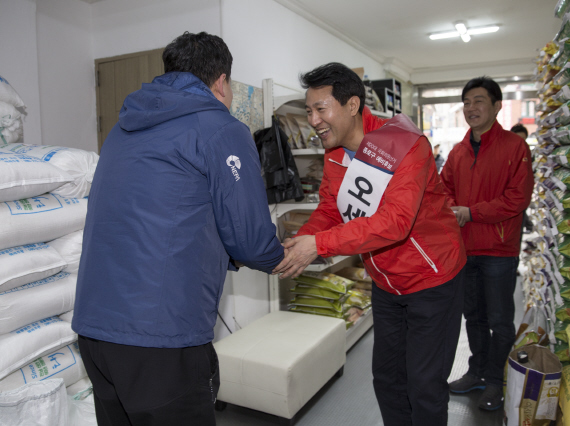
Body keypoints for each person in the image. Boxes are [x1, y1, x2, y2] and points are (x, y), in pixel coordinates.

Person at [72, 32, 284, 426]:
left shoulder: (121, 130)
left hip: (95, 331)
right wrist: (282, 257)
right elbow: (253, 241)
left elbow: (160, 217)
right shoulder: (222, 129)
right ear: (222, 82)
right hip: (161, 339)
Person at [273, 62, 467, 426]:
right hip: (386, 283)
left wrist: (320, 245)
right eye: (309, 111)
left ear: (352, 105)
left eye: (321, 109)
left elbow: (395, 223)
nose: (313, 120)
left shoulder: (407, 146)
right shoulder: (334, 152)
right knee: (388, 380)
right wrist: (302, 240)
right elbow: (331, 209)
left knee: (424, 386)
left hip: (432, 281)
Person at [440, 77, 534, 411]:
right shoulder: (458, 151)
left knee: (499, 321)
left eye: (479, 101)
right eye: (466, 102)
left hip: (498, 250)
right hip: (465, 249)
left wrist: (471, 212)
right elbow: (443, 187)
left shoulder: (515, 148)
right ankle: (477, 372)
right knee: (474, 317)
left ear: (497, 106)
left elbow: (517, 199)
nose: (471, 108)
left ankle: (496, 380)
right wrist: (453, 207)